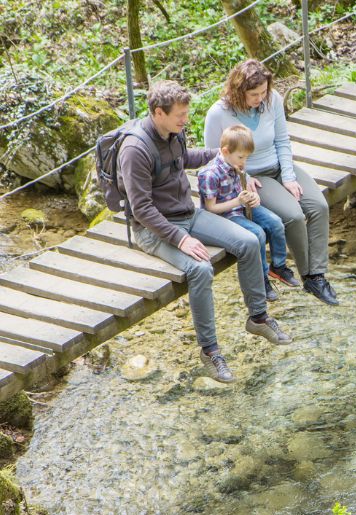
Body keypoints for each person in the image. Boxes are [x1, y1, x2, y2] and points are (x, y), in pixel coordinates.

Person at [118, 80, 291, 385]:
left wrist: (222, 155)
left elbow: (183, 159)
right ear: (159, 112)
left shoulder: (173, 133)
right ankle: (210, 352)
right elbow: (142, 209)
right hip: (154, 231)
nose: (185, 120)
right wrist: (182, 239)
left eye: (186, 114)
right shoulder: (135, 150)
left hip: (189, 214)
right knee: (200, 269)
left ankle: (258, 318)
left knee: (250, 241)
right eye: (180, 115)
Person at [204, 59, 338, 306]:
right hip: (253, 177)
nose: (259, 98)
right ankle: (307, 274)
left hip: (279, 165)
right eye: (254, 94)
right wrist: (244, 176)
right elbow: (214, 156)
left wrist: (288, 175)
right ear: (238, 90)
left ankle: (316, 275)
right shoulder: (218, 113)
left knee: (319, 206)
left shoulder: (272, 100)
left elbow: (282, 140)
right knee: (294, 216)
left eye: (263, 92)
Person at [197, 124, 298, 303]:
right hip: (224, 216)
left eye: (247, 157)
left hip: (242, 207)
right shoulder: (210, 174)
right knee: (257, 233)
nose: (244, 162)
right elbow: (211, 209)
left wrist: (253, 198)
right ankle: (261, 278)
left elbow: (242, 189)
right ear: (225, 151)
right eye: (241, 156)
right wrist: (238, 201)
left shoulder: (236, 165)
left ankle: (279, 266)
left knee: (275, 222)